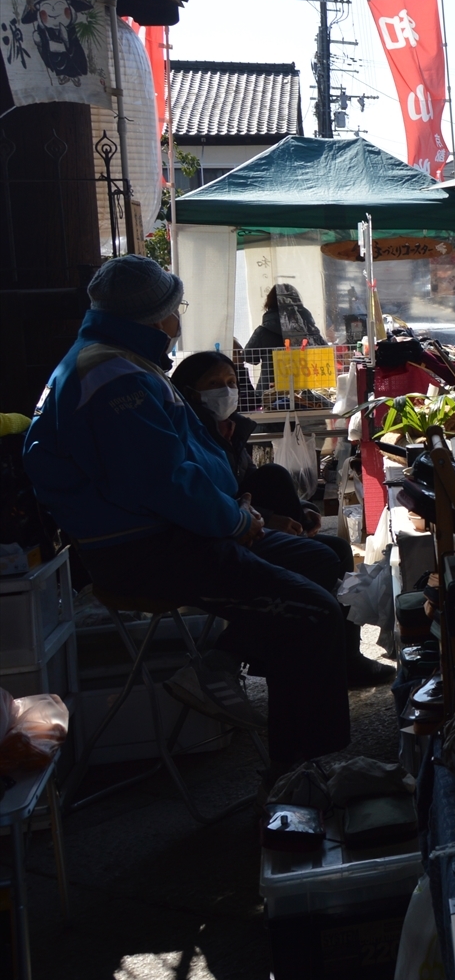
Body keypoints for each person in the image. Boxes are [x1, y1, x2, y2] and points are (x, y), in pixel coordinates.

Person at [24, 255, 351, 773]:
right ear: (157, 316)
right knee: (314, 614)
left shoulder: (116, 359)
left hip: (181, 532)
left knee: (316, 560)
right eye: (176, 309)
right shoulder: (111, 374)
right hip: (152, 548)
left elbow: (176, 469)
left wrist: (235, 511)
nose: (178, 320)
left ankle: (219, 664)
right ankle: (304, 773)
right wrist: (237, 521)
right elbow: (161, 481)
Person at [169, 352, 393, 687]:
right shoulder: (192, 435)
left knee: (336, 548)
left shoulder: (228, 430)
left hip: (244, 523)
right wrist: (265, 520)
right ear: (189, 391)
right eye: (214, 385)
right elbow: (210, 499)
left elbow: (249, 483)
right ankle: (261, 654)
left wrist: (300, 509)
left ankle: (346, 658)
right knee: (320, 560)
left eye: (231, 383)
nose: (226, 392)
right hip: (222, 535)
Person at [244, 283, 326, 403]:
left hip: (271, 393)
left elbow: (249, 357)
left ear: (269, 302)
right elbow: (323, 351)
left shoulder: (263, 331)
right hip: (306, 393)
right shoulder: (308, 328)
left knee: (273, 420)